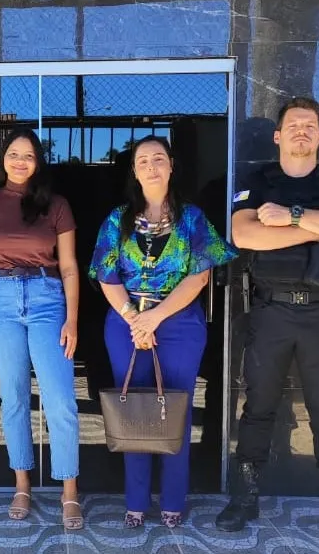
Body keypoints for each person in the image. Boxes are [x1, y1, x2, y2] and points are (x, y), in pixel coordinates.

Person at [215, 97, 319, 543]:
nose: (302, 130)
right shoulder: (258, 180)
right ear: (278, 136)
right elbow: (244, 233)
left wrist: (290, 219)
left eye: (310, 125)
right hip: (270, 311)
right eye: (294, 125)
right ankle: (245, 499)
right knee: (258, 407)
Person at [89, 135, 237, 529]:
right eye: (143, 161)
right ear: (134, 172)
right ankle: (135, 501)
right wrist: (133, 317)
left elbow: (200, 276)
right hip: (125, 325)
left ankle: (173, 499)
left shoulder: (192, 219)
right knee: (133, 410)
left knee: (176, 409)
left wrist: (154, 318)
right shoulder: (117, 220)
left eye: (159, 159)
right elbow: (106, 275)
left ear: (171, 166)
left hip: (180, 324)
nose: (152, 166)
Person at [0, 129, 83, 529]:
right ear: (3, 158)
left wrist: (72, 318)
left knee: (60, 399)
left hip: (48, 297)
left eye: (28, 156)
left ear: (38, 161)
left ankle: (69, 490)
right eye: (13, 154)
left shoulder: (56, 205)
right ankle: (22, 483)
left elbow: (69, 266)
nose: (20, 161)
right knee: (13, 396)